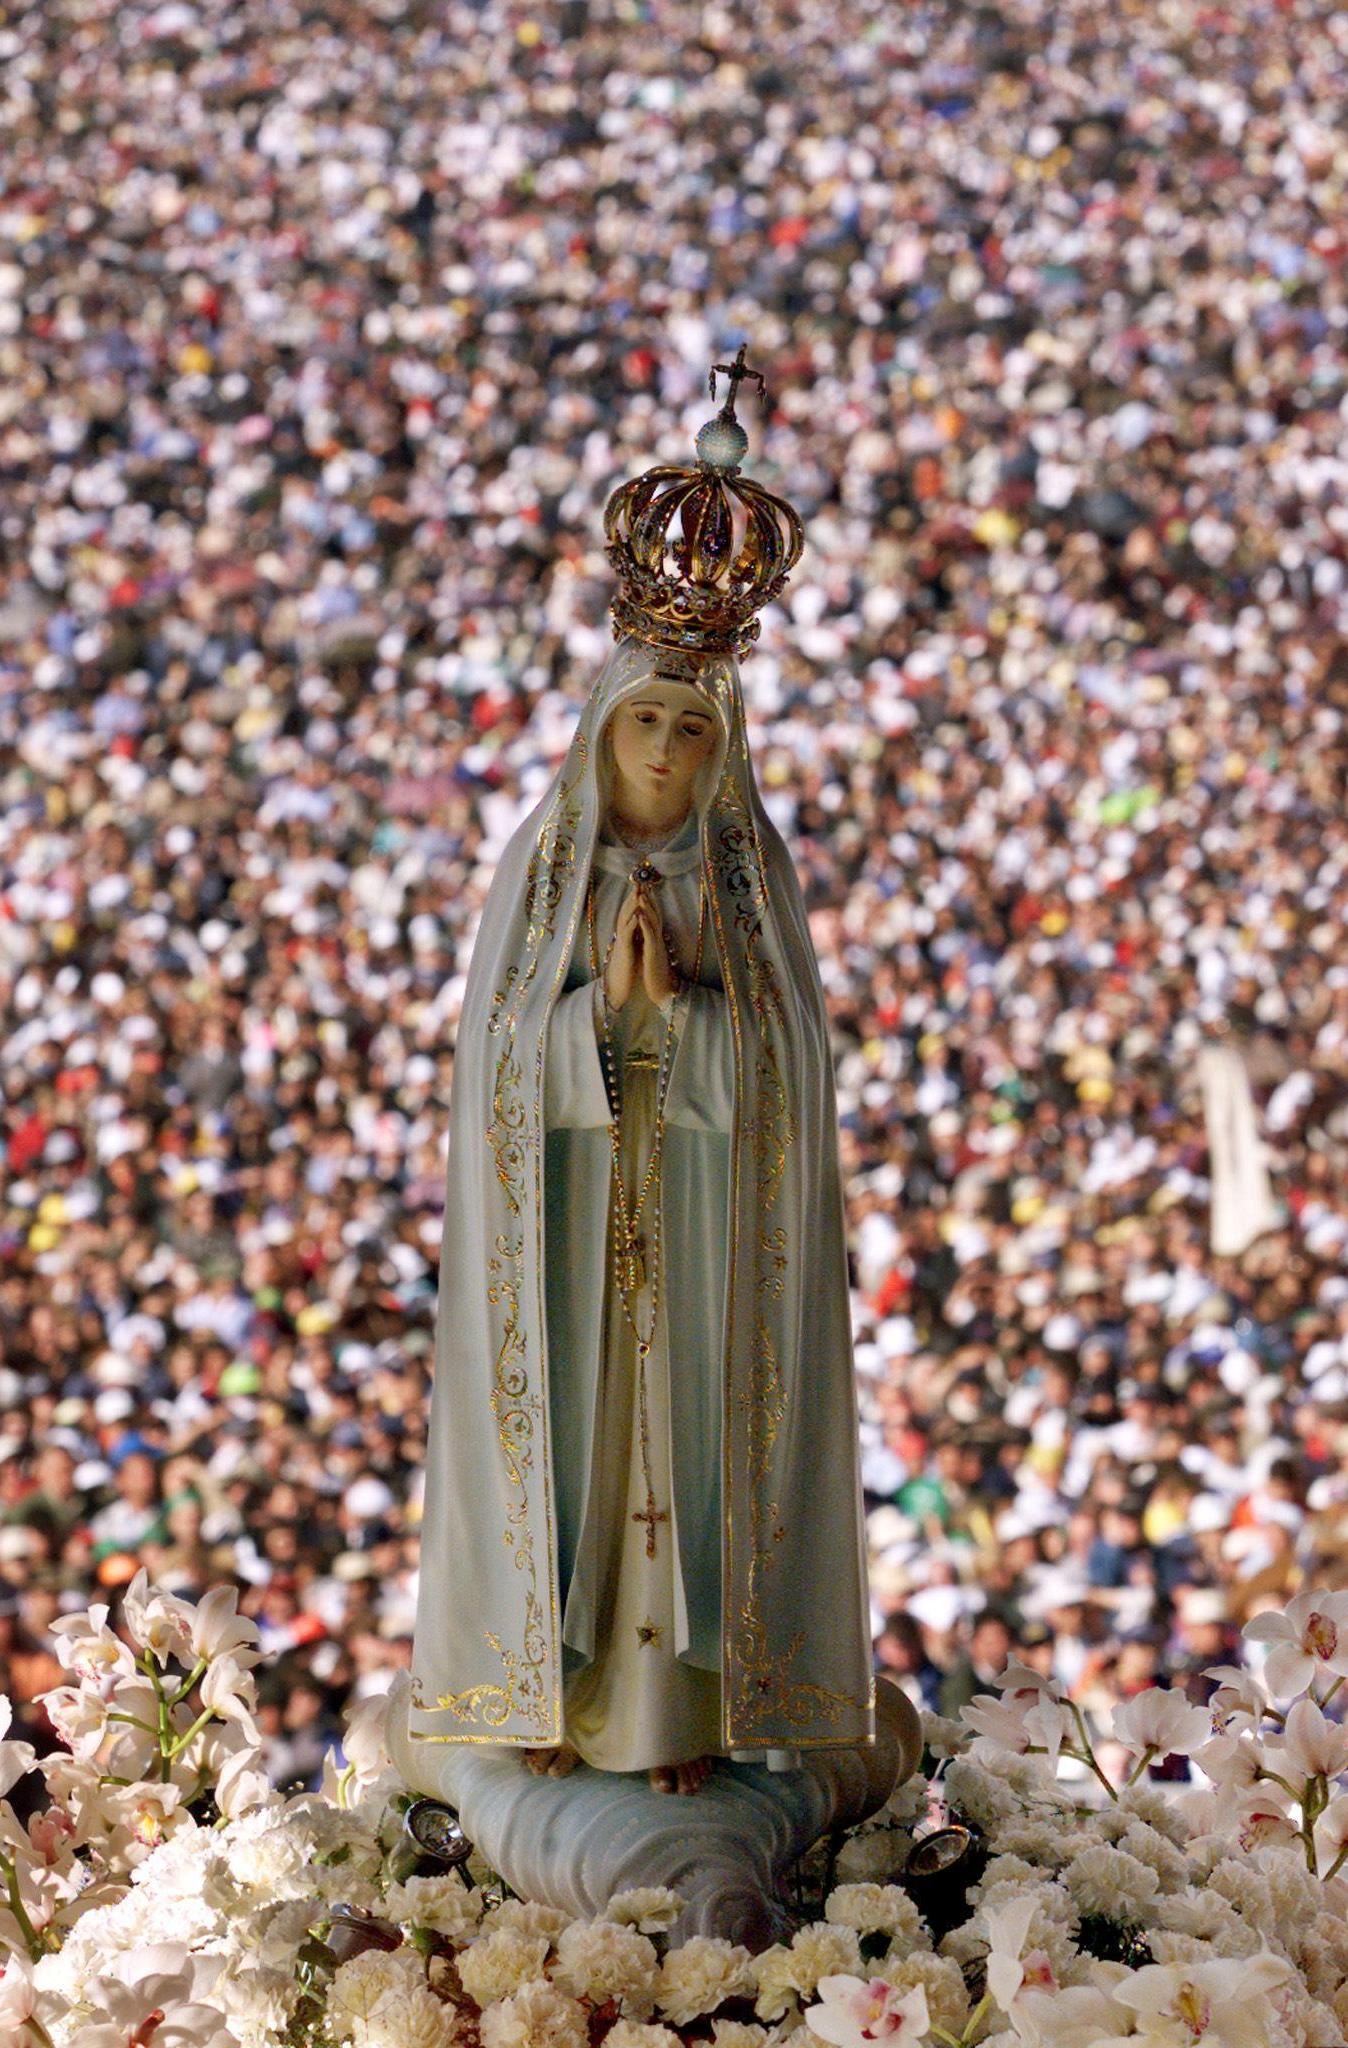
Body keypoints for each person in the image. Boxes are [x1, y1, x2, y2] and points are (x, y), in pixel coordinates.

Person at [407, 369, 874, 1793]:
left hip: (702, 1222)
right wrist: (592, 1023)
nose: (666, 752)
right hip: (569, 1217)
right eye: (646, 723)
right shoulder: (547, 870)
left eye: (692, 730)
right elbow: (493, 1067)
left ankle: (682, 1713)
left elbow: (792, 1066)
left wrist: (684, 1022)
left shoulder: (746, 877)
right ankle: (548, 1685)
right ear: (603, 730)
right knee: (579, 1441)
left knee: (686, 1448)